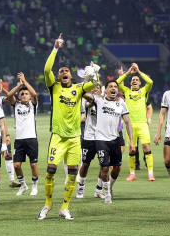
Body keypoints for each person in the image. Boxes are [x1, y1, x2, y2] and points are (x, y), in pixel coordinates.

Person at [38, 34, 97, 220]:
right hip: (57, 136)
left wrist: (94, 72)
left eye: (67, 71)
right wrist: (55, 48)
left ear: (71, 75)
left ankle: (65, 207)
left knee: (73, 173)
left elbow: (96, 85)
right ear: (58, 76)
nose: (63, 72)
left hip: (74, 138)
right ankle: (48, 204)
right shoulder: (53, 87)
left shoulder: (79, 88)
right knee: (50, 170)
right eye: (61, 71)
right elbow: (47, 68)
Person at [83, 80, 135, 203]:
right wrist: (88, 81)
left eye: (115, 87)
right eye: (110, 87)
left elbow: (127, 122)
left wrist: (131, 141)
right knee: (105, 167)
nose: (113, 88)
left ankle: (109, 187)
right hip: (101, 139)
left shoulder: (121, 102)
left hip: (115, 139)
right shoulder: (99, 100)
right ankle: (106, 194)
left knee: (117, 168)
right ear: (105, 90)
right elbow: (83, 94)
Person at [116, 64, 154, 181]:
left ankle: (150, 173)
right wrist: (127, 73)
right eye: (133, 80)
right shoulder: (126, 91)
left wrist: (138, 71)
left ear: (140, 83)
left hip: (142, 124)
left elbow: (150, 82)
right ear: (130, 83)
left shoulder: (143, 91)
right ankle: (132, 174)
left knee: (146, 147)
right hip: (130, 125)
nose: (135, 81)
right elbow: (117, 83)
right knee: (132, 149)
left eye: (137, 80)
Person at [7, 72, 39, 196]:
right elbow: (9, 95)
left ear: (29, 96)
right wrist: (19, 86)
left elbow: (35, 94)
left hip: (31, 139)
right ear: (19, 96)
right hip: (19, 140)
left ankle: (34, 187)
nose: (24, 95)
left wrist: (25, 81)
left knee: (33, 164)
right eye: (22, 94)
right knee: (16, 165)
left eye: (26, 94)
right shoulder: (16, 105)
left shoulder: (33, 105)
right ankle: (23, 185)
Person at [0, 81, 21, 188]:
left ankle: (12, 179)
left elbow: (13, 100)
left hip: (2, 131)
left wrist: (4, 90)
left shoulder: (0, 99)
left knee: (8, 154)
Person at [76, 84, 104, 199]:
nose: (96, 89)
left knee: (104, 165)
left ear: (102, 89)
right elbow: (88, 104)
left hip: (103, 137)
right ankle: (81, 188)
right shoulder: (86, 101)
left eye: (98, 87)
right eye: (94, 87)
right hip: (89, 137)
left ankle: (98, 190)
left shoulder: (106, 101)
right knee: (85, 164)